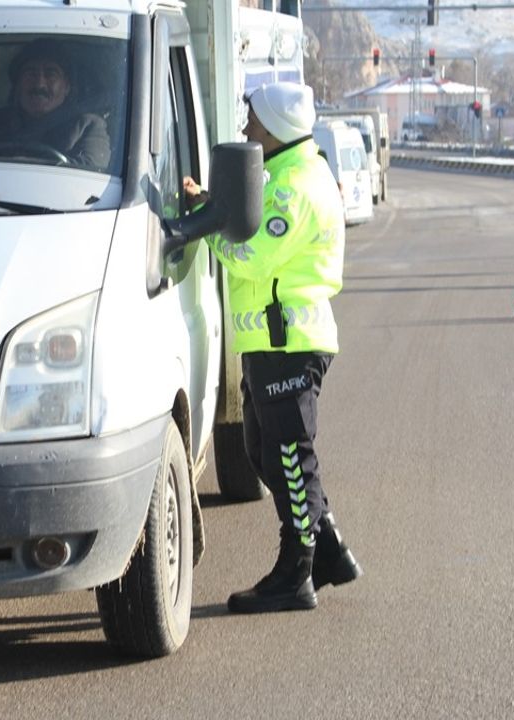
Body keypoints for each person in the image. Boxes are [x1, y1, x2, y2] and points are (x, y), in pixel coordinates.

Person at [185, 82, 362, 614]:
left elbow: (250, 258)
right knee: (265, 451)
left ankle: (296, 573)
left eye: (254, 123)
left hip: (288, 340)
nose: (246, 131)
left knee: (289, 457)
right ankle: (327, 548)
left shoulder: (296, 188)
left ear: (277, 130)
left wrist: (205, 226)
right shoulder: (284, 176)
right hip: (272, 339)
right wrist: (214, 205)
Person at [0, 38, 110, 171]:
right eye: (31, 73)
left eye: (50, 74)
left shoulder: (89, 126)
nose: (40, 84)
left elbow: (89, 175)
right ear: (18, 84)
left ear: (67, 87)